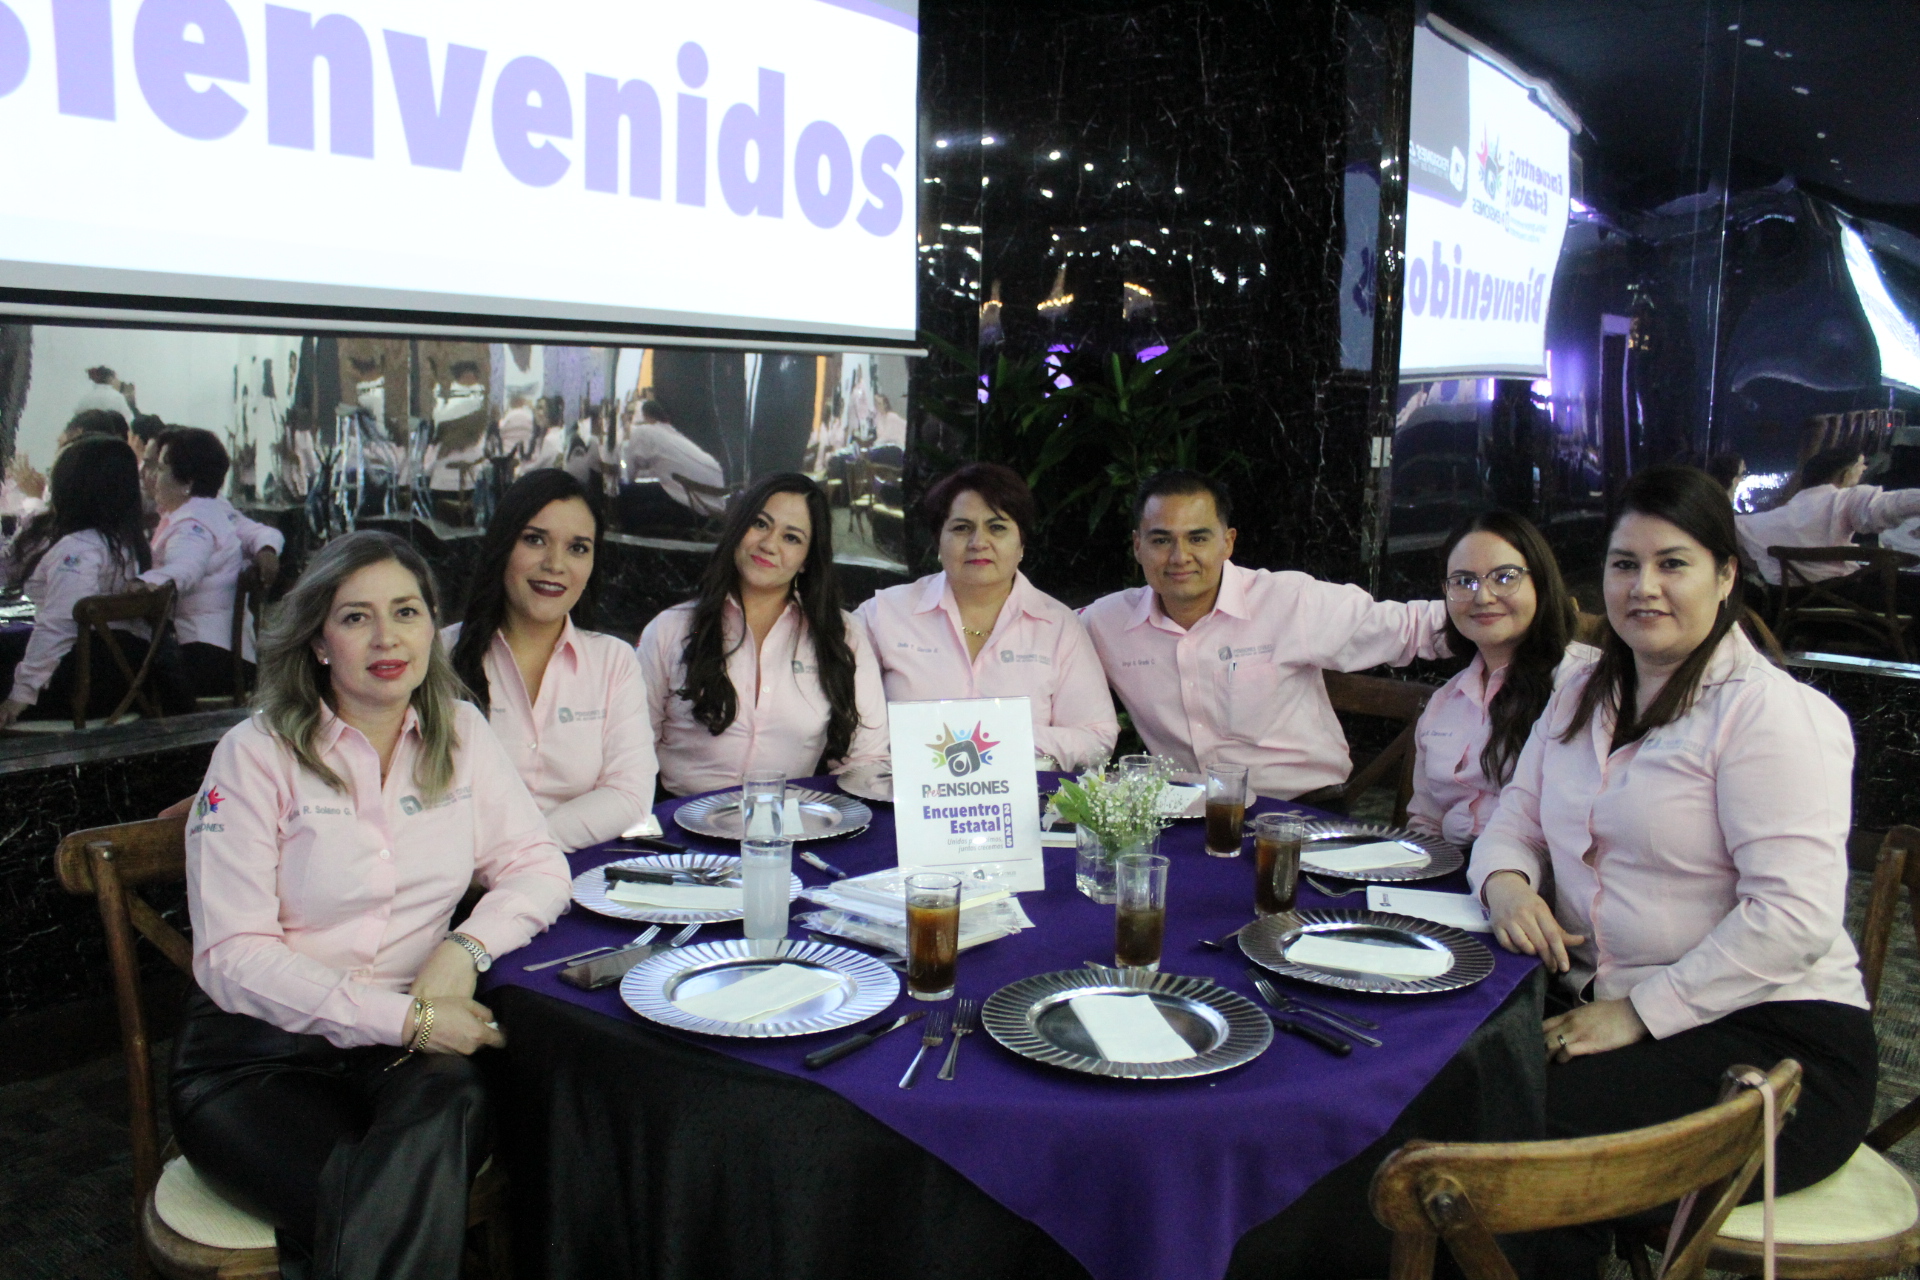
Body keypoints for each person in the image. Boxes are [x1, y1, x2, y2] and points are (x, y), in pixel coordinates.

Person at [1468, 465, 1874, 1272]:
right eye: (1625, 564)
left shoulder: (1772, 715)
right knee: (1437, 1079)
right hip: (1598, 998)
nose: (1644, 587)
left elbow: (1793, 920)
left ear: (1725, 575)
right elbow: (1514, 816)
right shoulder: (1580, 687)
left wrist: (1640, 1013)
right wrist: (1505, 881)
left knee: (1514, 1141)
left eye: (1673, 564)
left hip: (1775, 1040)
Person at [172, 530, 570, 1278]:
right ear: (318, 642)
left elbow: (539, 866)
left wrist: (464, 948)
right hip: (258, 1057)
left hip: (406, 1052)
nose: (388, 637)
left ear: (432, 627)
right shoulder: (256, 755)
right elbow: (231, 955)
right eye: (356, 617)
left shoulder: (463, 733)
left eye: (406, 612)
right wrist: (408, 1019)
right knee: (384, 1190)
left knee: (449, 1109)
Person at [1080, 469, 1449, 801]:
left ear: (1227, 542)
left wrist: (1483, 614)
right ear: (1137, 546)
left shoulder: (1289, 601)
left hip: (1300, 809)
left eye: (1198, 538)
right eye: (1161, 540)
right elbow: (1050, 646)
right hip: (1186, 813)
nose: (1180, 557)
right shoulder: (1106, 623)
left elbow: (1412, 626)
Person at [636, 472, 889, 796]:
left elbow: (866, 759)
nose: (769, 544)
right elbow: (633, 751)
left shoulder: (842, 635)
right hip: (680, 818)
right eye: (760, 524)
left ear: (807, 560)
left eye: (791, 538)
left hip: (793, 820)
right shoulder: (671, 629)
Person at [446, 470, 659, 850]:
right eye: (535, 540)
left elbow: (629, 795)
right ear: (502, 545)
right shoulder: (436, 656)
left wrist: (521, 851)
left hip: (576, 871)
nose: (555, 564)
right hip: (462, 878)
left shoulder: (614, 661)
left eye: (578, 548)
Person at [856, 462, 1117, 770]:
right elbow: (850, 726)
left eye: (997, 527)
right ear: (938, 541)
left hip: (1027, 797)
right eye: (961, 528)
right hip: (902, 794)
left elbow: (1097, 737)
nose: (978, 542)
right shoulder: (882, 615)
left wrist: (1004, 738)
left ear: (1021, 543)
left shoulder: (1058, 626)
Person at [1405, 511, 1587, 847]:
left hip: (1536, 875)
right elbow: (1427, 820)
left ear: (1540, 582)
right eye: (1464, 581)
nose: (1483, 597)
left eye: (1504, 577)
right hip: (1449, 869)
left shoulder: (1582, 684)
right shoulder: (1446, 701)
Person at [0, 436, 188, 727]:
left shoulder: (78, 549)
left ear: (72, 487)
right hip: (125, 681)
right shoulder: (128, 545)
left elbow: (59, 625)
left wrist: (19, 696)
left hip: (85, 687)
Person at [136, 427, 285, 697]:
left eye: (161, 468)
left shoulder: (194, 523)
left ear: (187, 481)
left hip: (205, 656)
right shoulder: (204, 510)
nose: (153, 476)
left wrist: (142, 584)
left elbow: (185, 568)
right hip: (223, 653)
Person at [1735, 445, 1920, 586]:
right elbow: (1889, 506)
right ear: (1846, 475)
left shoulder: (1752, 524)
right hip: (1849, 605)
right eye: (1861, 465)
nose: (1864, 469)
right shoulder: (1844, 499)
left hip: (1785, 609)